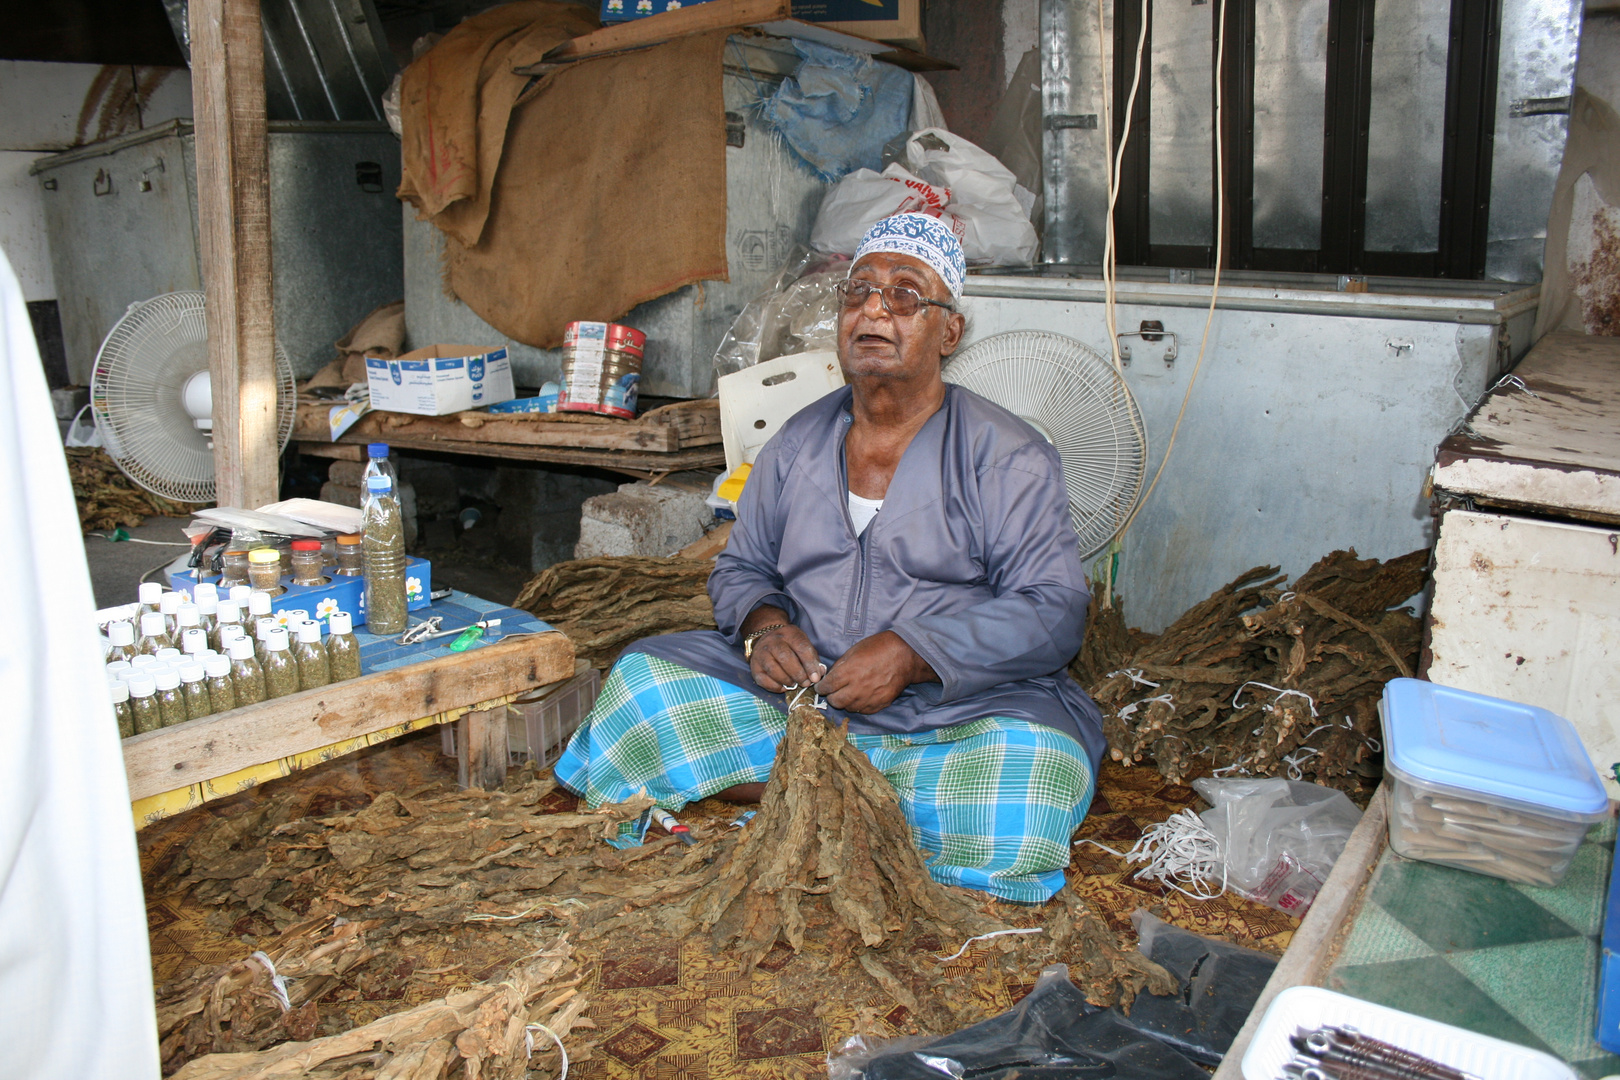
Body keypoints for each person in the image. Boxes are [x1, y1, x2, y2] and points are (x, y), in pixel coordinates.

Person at [556, 213, 1105, 903]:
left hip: (948, 712)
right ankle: (853, 798)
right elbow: (743, 568)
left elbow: (1052, 610)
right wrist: (764, 628)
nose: (874, 309)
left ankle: (797, 792)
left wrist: (913, 654)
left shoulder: (1008, 457)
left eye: (905, 295)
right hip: (802, 701)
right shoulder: (794, 444)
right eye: (858, 292)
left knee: (1033, 775)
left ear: (950, 331)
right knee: (642, 682)